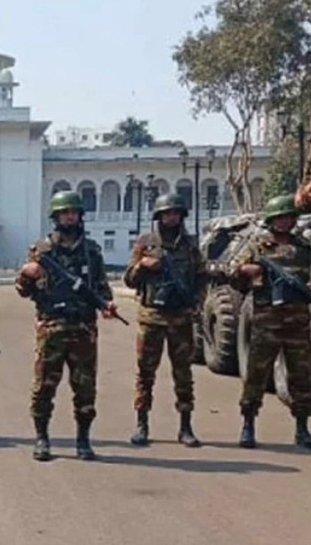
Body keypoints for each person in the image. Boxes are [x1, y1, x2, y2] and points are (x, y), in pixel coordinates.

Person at [15, 191, 117, 461]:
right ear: (56, 216)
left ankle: (83, 440)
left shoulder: (92, 251)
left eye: (74, 212)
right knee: (44, 387)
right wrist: (27, 274)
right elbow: (22, 290)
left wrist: (107, 305)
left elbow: (102, 289)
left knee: (85, 388)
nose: (70, 216)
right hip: (51, 328)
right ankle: (42, 438)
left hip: (83, 329)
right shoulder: (41, 250)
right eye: (65, 212)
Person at [228, 194, 311, 449]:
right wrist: (246, 270)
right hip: (267, 321)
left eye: (288, 217)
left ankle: (301, 427)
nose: (283, 222)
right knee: (256, 375)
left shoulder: (304, 248)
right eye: (279, 218)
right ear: (271, 220)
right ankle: (248, 425)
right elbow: (232, 272)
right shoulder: (257, 246)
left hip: (298, 322)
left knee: (302, 376)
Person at [123, 194, 205, 447]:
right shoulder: (146, 243)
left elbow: (201, 277)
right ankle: (142, 424)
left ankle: (185, 426)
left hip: (180, 318)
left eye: (176, 213)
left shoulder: (190, 245)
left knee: (183, 373)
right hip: (152, 318)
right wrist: (143, 266)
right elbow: (129, 278)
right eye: (167, 213)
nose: (172, 217)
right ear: (159, 216)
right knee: (145, 373)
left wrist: (197, 303)